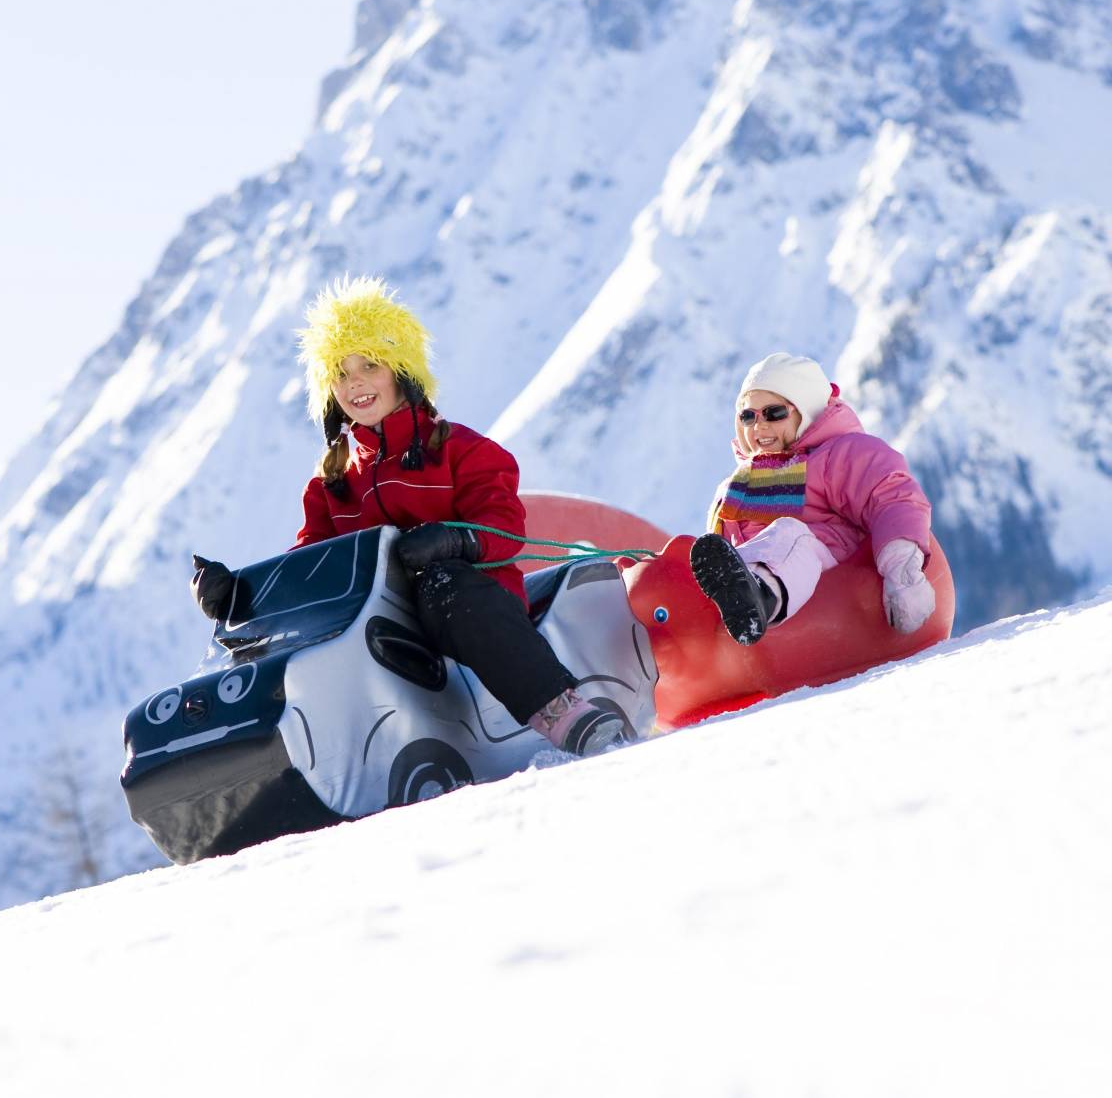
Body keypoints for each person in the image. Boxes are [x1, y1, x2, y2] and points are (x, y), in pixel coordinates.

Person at [191, 275, 628, 757]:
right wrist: (240, 597)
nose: (354, 381)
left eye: (369, 365)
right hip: (377, 626)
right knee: (308, 644)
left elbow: (503, 525)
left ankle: (561, 712)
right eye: (340, 372)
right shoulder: (330, 485)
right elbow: (309, 568)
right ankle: (287, 763)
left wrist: (453, 543)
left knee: (445, 586)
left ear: (403, 371)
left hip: (467, 609)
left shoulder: (462, 451)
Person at [689, 352, 935, 645]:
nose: (759, 426)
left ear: (806, 412)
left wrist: (902, 574)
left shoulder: (839, 454)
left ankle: (759, 594)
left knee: (789, 536)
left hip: (832, 586)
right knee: (680, 563)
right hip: (753, 619)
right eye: (747, 416)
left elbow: (893, 498)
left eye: (774, 413)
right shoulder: (733, 488)